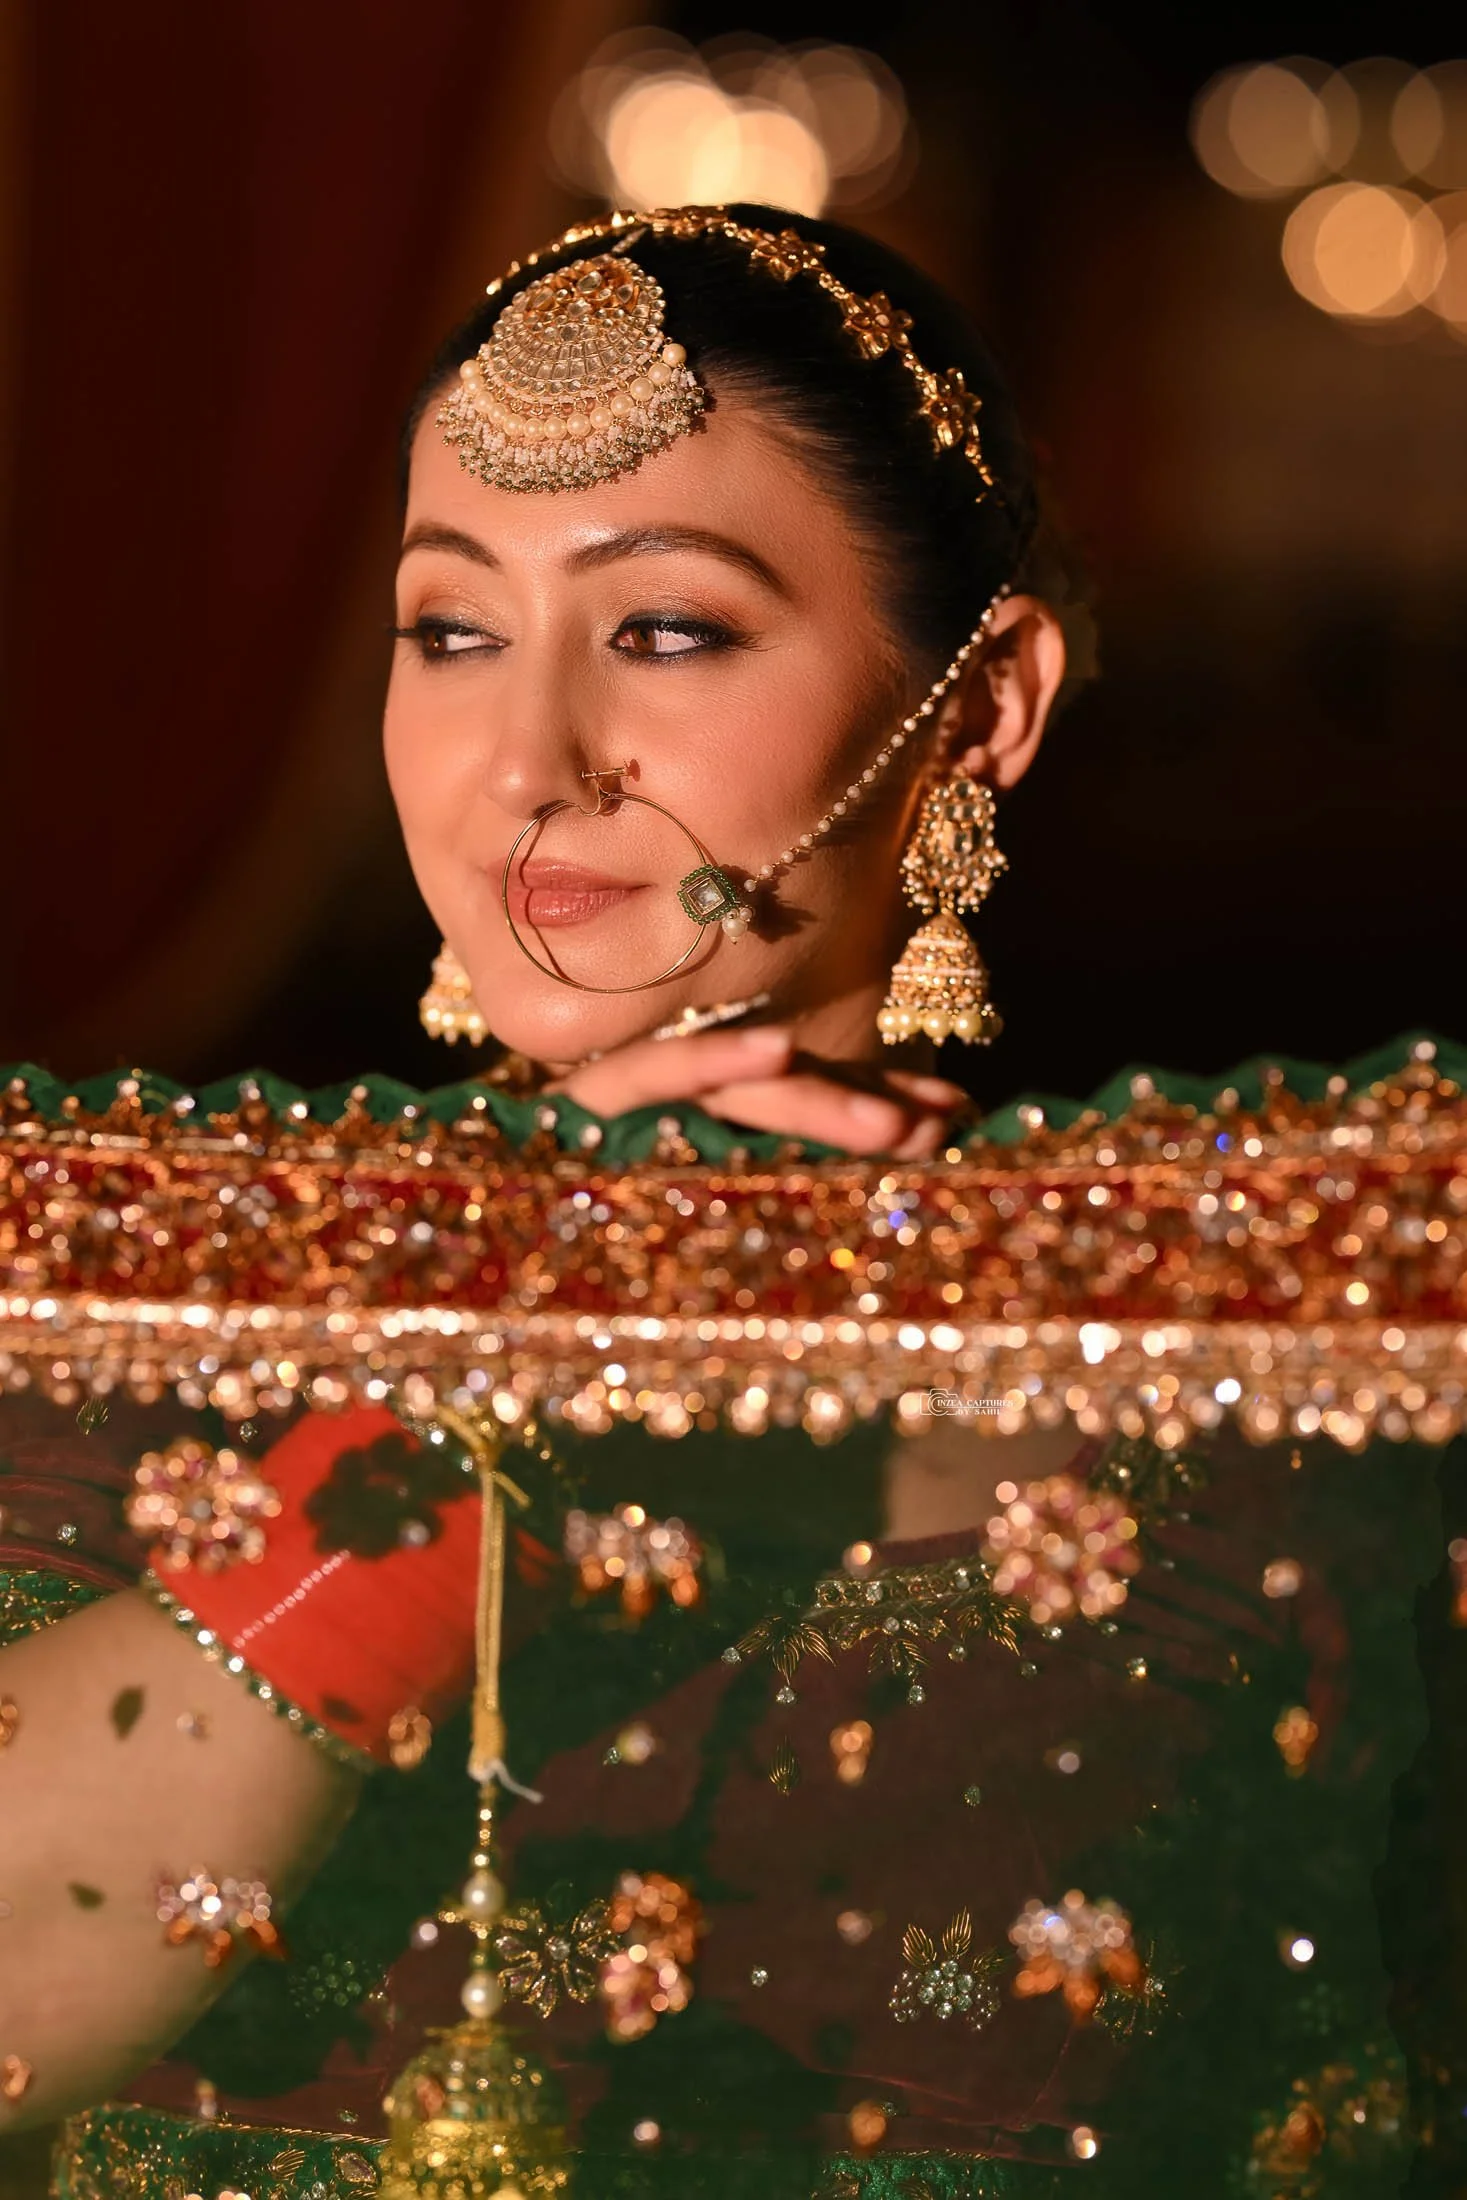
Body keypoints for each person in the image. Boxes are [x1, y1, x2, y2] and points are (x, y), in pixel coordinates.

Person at [0, 205, 1459, 2199]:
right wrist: (454, 1428)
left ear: (981, 705)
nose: (522, 760)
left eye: (665, 627)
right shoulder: (124, 1304)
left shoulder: (1286, 1388)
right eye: (448, 629)